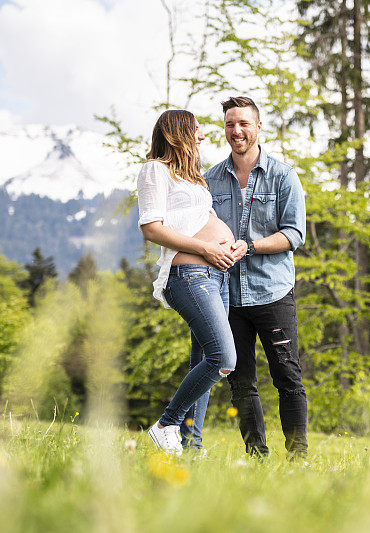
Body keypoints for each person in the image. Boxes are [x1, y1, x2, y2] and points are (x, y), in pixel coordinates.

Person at [137, 109, 248, 455]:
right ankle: (166, 424)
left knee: (204, 360)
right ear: (178, 133)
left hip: (217, 274)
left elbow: (203, 218)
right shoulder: (155, 169)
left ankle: (192, 447)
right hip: (190, 274)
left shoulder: (192, 177)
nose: (202, 137)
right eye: (196, 131)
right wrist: (206, 248)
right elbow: (151, 227)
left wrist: (232, 245)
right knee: (224, 358)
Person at [205, 96, 308, 458]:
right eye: (231, 124)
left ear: (259, 126)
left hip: (273, 293)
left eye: (244, 124)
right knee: (240, 383)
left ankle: (298, 460)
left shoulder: (284, 176)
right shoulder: (210, 180)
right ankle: (257, 459)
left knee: (288, 379)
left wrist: (250, 246)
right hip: (226, 297)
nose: (237, 131)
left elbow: (294, 234)